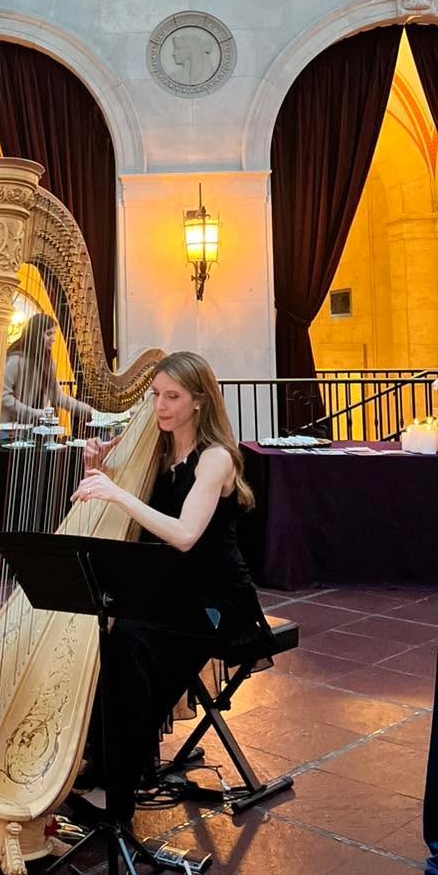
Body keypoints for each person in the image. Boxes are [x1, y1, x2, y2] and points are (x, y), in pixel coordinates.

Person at [71, 349, 272, 823]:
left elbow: (183, 535)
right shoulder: (158, 452)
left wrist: (116, 491)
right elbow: (116, 509)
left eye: (173, 396)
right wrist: (99, 471)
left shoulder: (216, 459)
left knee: (128, 641)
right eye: (156, 395)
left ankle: (118, 783)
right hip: (169, 592)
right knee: (104, 630)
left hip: (216, 602)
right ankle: (107, 764)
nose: (160, 406)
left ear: (199, 401)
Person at [1, 312, 91, 430]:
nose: (53, 339)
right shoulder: (15, 360)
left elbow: (58, 396)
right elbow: (4, 397)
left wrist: (90, 411)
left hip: (34, 429)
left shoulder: (48, 363)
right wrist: (34, 413)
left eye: (54, 334)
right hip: (9, 431)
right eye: (49, 334)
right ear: (35, 334)